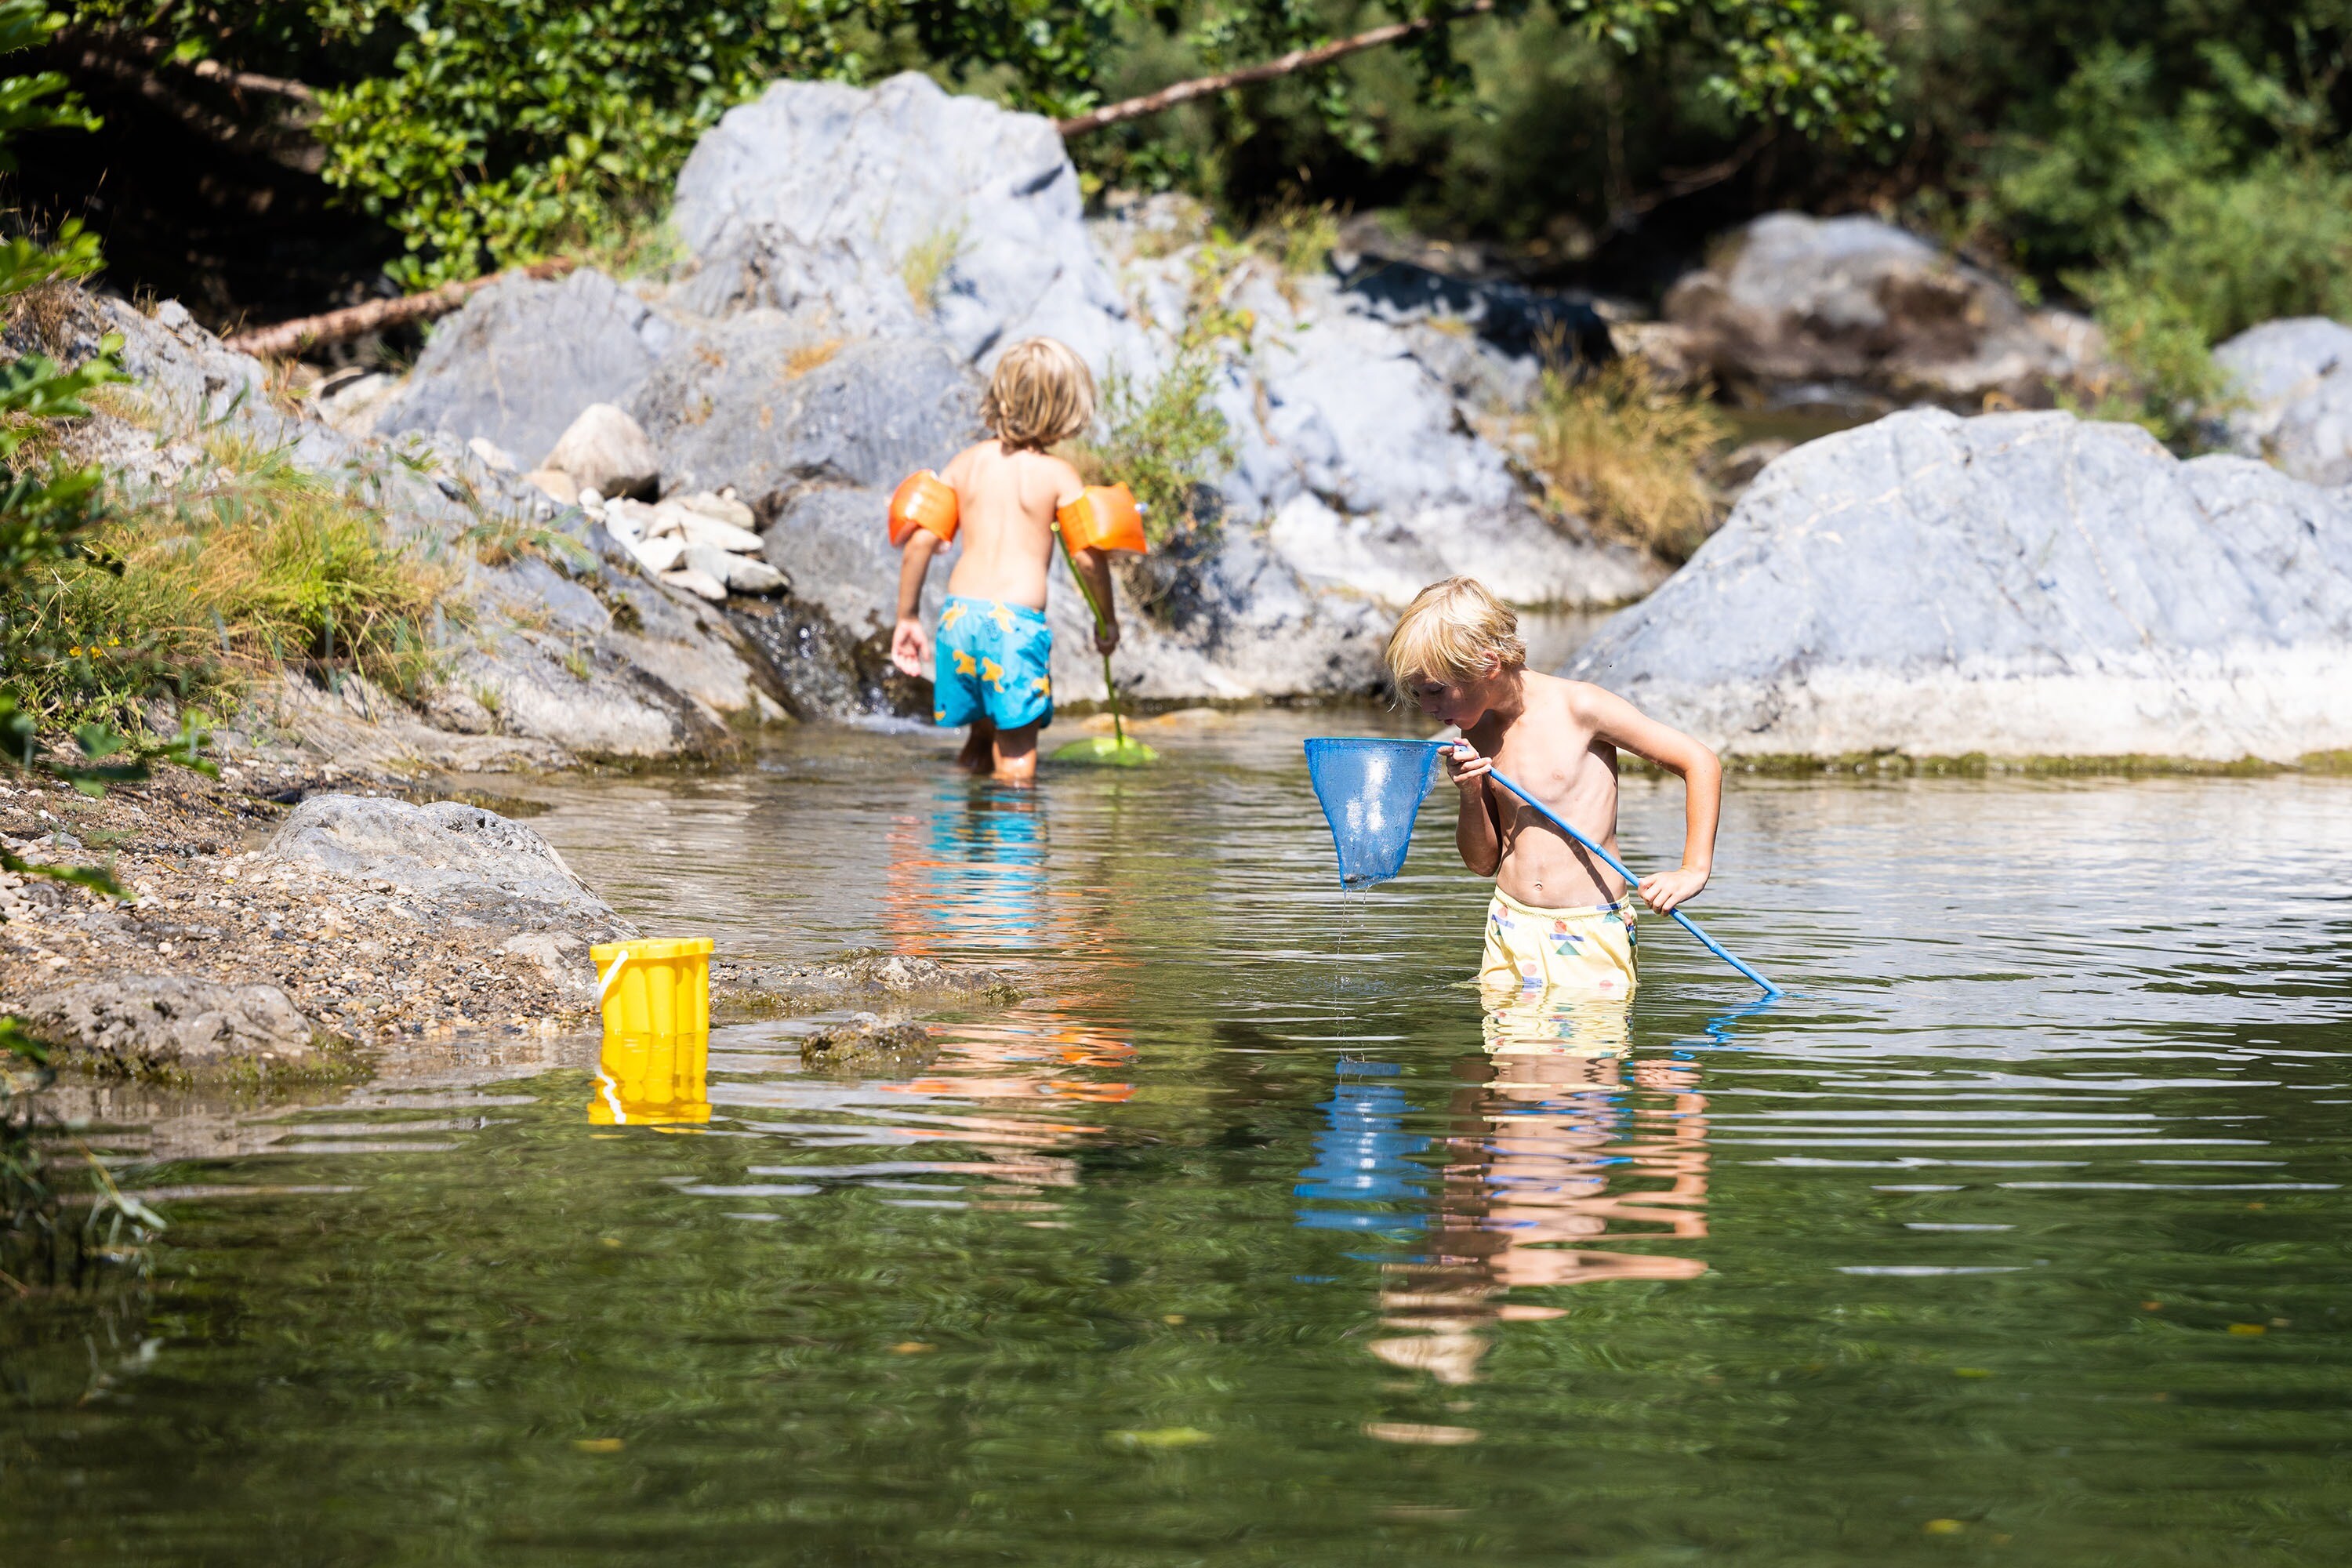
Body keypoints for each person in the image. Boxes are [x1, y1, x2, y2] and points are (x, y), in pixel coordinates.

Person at [1384, 575, 1723, 1003]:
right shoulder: (1477, 733)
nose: (1428, 708)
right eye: (1419, 695)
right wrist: (1470, 794)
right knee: (1508, 1066)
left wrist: (1693, 869)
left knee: (1585, 1060)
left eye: (1435, 691)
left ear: (1488, 664)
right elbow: (1482, 863)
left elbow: (1700, 762)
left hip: (1588, 927)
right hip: (1510, 924)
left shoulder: (1581, 707)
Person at [889, 337, 1120, 783]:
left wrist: (908, 617)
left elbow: (919, 543)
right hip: (1012, 628)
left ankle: (960, 838)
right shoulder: (1057, 475)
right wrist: (1106, 619)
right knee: (1016, 759)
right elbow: (1089, 560)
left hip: (959, 621)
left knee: (979, 739)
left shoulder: (965, 464)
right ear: (1066, 410)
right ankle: (1011, 849)